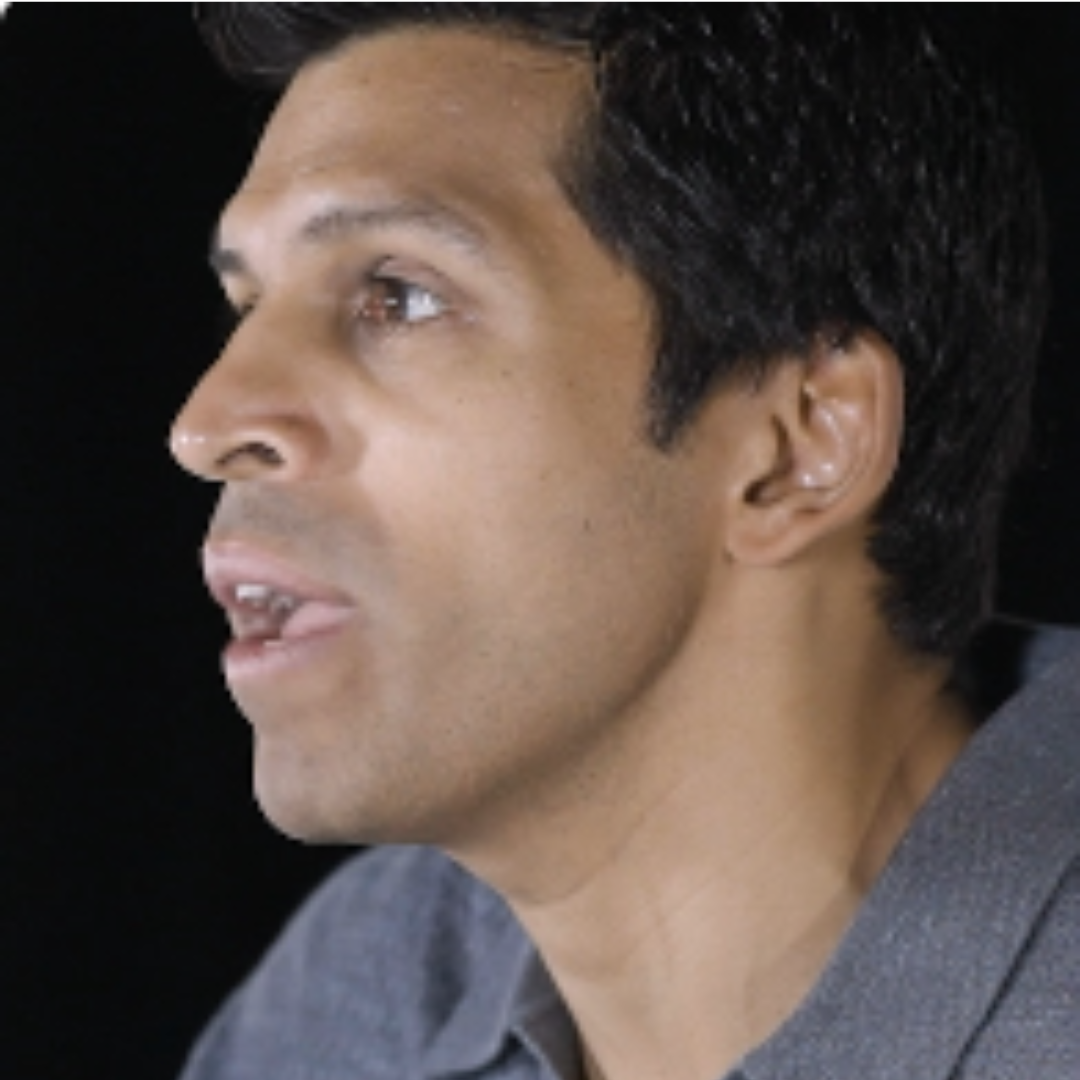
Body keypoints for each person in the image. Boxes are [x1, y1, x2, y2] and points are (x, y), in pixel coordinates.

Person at [170, 5, 1080, 1078]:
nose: (208, 424)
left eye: (398, 296)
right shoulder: (352, 1005)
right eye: (247, 307)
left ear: (795, 447)